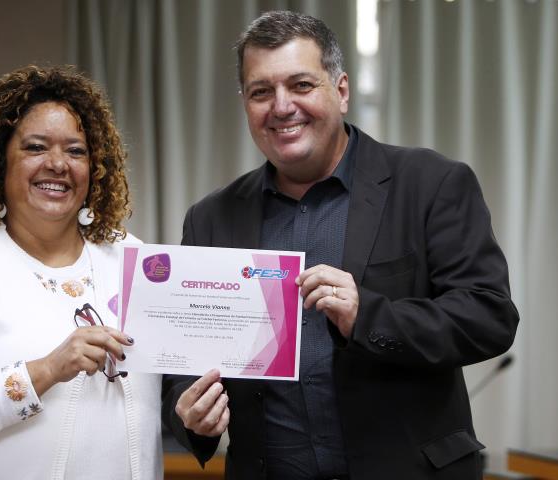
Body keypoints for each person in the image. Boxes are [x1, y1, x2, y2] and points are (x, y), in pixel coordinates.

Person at [161, 11, 519, 479]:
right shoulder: (210, 218)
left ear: (342, 91)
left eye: (302, 85)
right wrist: (191, 415)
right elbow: (184, 359)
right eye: (261, 92)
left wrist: (365, 316)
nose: (281, 106)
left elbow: (489, 317)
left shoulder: (431, 184)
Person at [0, 65, 162, 479]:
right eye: (36, 147)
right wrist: (48, 369)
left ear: (94, 168)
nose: (58, 164)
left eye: (76, 151)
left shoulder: (130, 257)